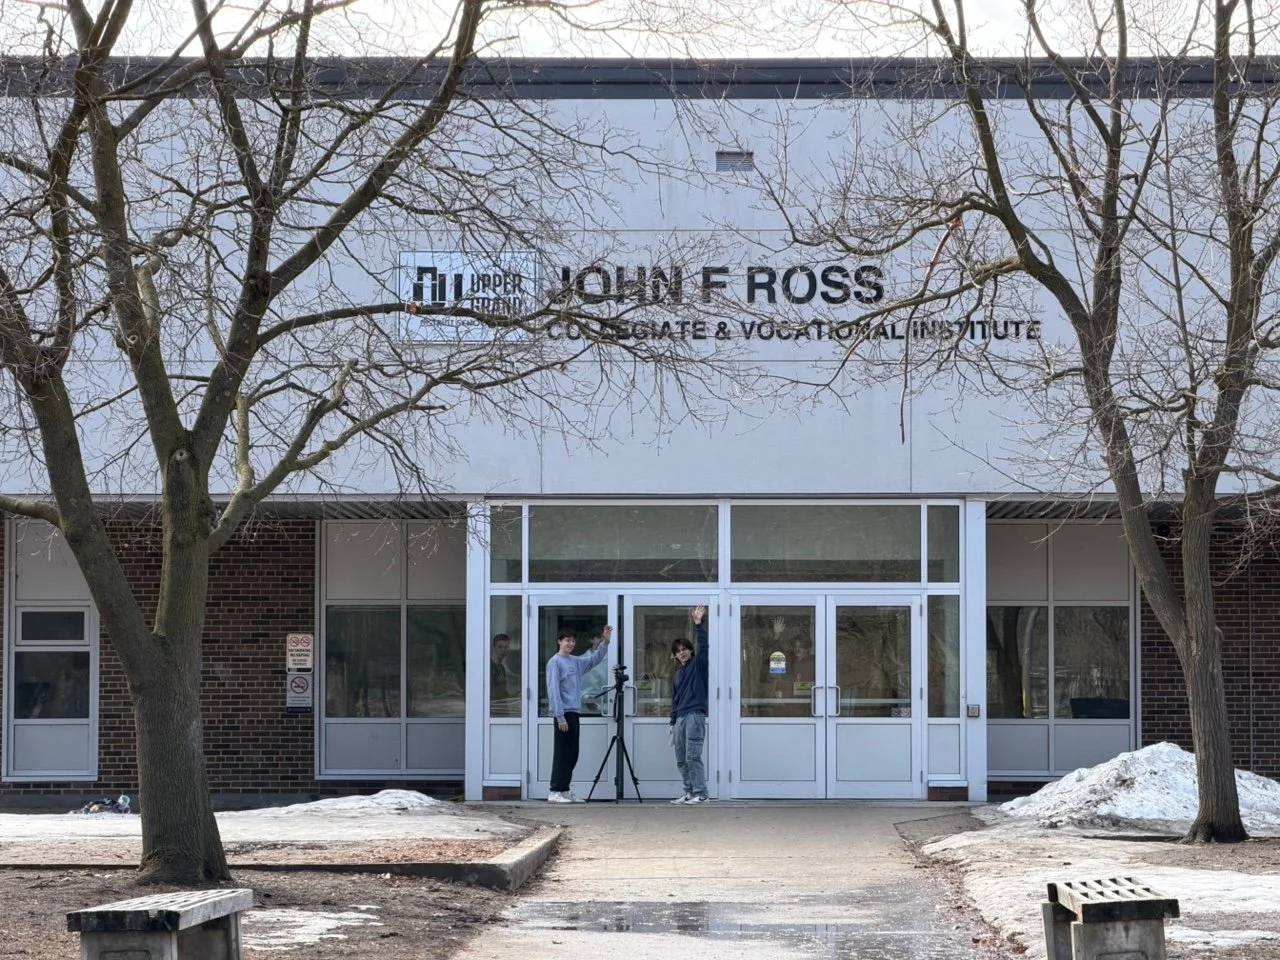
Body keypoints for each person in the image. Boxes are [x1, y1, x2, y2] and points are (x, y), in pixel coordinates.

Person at [546, 624, 613, 803]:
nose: (571, 644)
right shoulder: (555, 662)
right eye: (567, 640)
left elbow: (593, 660)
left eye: (573, 641)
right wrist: (559, 716)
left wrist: (605, 642)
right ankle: (555, 791)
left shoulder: (575, 661)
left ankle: (565, 790)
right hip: (563, 714)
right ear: (559, 641)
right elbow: (553, 691)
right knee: (562, 753)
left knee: (572, 753)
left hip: (574, 712)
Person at [669, 604, 710, 804]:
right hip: (680, 718)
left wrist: (698, 624)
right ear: (675, 655)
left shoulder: (698, 665)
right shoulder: (678, 674)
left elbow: (704, 646)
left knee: (693, 756)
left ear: (691, 651)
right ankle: (689, 792)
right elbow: (674, 699)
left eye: (685, 649)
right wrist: (672, 721)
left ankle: (701, 794)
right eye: (678, 651)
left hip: (695, 715)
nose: (682, 653)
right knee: (681, 758)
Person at [490, 633, 513, 702]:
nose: (503, 650)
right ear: (494, 647)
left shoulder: (502, 668)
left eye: (506, 647)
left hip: (501, 705)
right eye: (500, 647)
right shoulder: (488, 666)